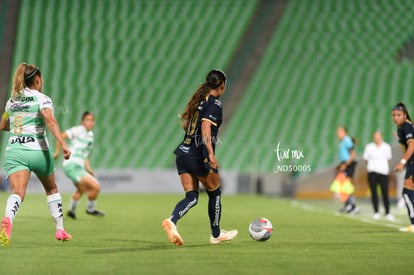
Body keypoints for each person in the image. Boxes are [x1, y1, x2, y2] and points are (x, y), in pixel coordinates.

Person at [162, 69, 238, 245]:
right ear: (222, 86)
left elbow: (187, 125)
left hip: (182, 153)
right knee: (215, 193)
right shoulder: (215, 104)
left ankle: (172, 221)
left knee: (192, 197)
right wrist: (211, 154)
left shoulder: (198, 101)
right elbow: (205, 127)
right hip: (198, 156)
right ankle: (216, 234)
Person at [0, 63, 72, 247]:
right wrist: (63, 144)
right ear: (38, 80)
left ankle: (8, 218)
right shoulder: (42, 99)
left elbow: (4, 125)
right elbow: (50, 120)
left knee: (17, 193)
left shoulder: (12, 100)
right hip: (38, 150)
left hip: (15, 151)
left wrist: (20, 124)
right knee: (51, 189)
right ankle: (60, 229)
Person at [54, 111, 104, 219]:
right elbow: (61, 136)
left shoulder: (90, 136)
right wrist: (57, 152)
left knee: (81, 189)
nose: (90, 122)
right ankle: (90, 209)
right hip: (72, 164)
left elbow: (84, 154)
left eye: (92, 120)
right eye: (88, 120)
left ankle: (71, 211)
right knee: (95, 187)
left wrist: (88, 168)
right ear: (82, 122)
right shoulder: (78, 130)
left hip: (79, 166)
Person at [392, 102, 414, 232]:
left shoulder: (406, 126)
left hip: (412, 162)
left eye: (399, 115)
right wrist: (399, 139)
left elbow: (412, 146)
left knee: (406, 193)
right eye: (394, 115)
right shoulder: (403, 128)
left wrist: (402, 161)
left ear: (405, 115)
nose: (396, 117)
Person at [362, 130, 394, 221]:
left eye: (378, 136)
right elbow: (366, 159)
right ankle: (376, 212)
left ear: (381, 137)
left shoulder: (386, 147)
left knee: (385, 193)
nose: (377, 138)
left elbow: (388, 159)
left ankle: (387, 212)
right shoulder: (369, 147)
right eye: (375, 137)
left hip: (383, 172)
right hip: (372, 172)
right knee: (374, 193)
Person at [336, 126, 359, 214]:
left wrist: (345, 164)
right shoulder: (343, 141)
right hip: (345, 164)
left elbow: (352, 154)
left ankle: (353, 207)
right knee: (343, 186)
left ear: (344, 132)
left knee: (347, 185)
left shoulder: (346, 140)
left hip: (349, 164)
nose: (338, 133)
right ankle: (347, 205)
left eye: (339, 131)